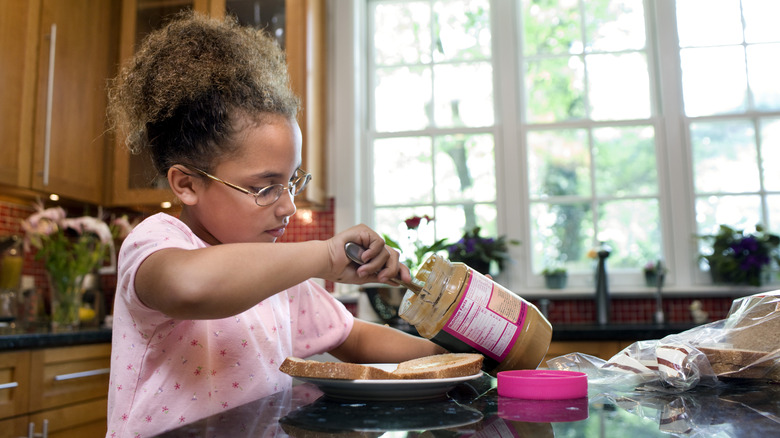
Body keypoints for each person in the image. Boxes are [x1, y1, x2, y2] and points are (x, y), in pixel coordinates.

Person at [105, 12, 444, 437]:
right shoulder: (157, 241)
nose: (286, 206)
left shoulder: (276, 272)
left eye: (292, 181)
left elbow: (352, 335)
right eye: (265, 187)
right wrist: (323, 255)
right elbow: (189, 287)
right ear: (186, 184)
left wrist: (452, 356)